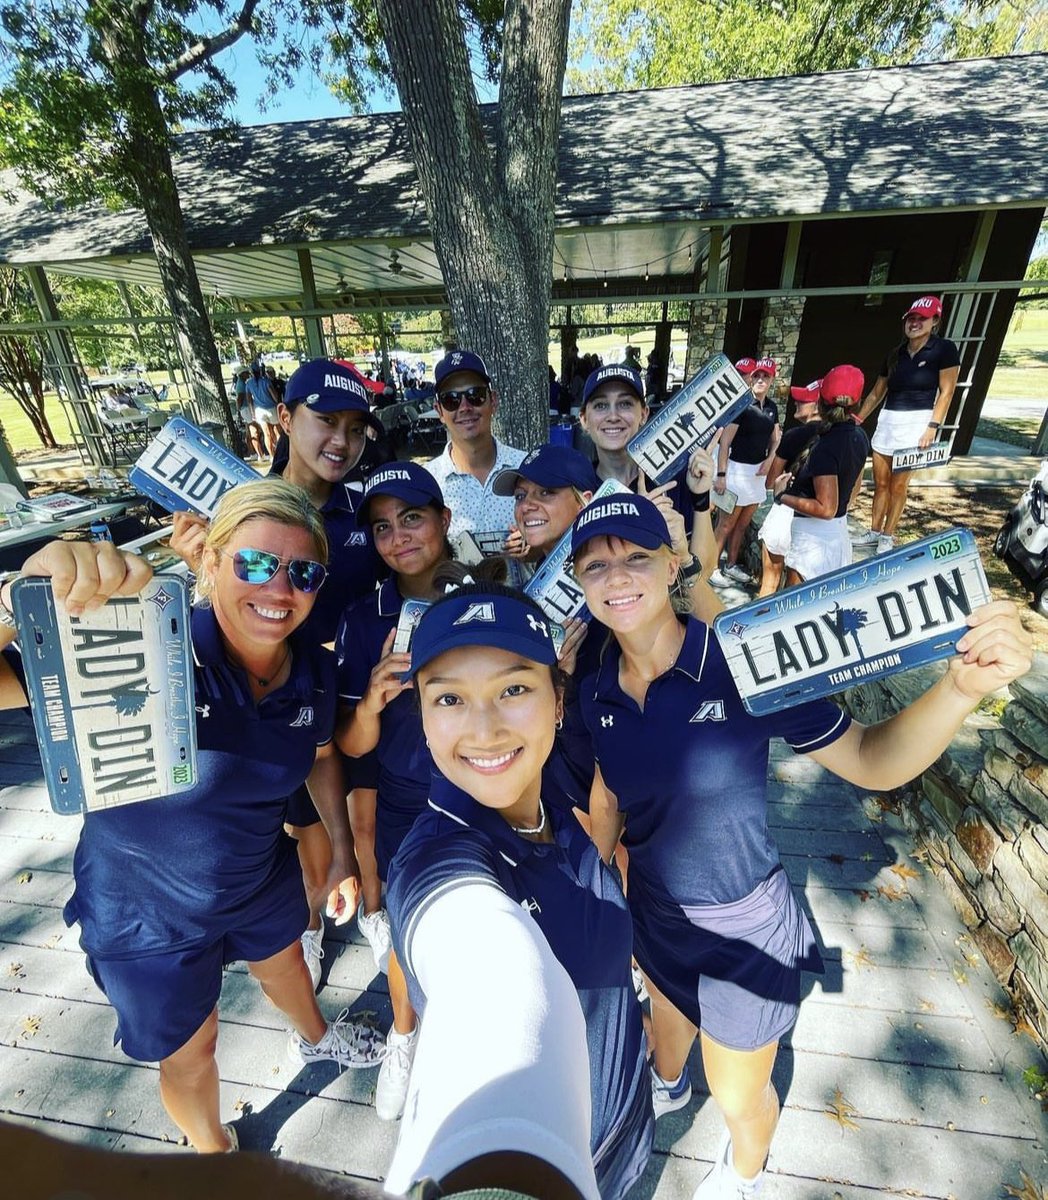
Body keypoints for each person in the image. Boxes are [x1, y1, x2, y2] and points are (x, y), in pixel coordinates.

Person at [569, 494, 1031, 1199]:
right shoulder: (596, 680)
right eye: (596, 565)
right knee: (667, 1031)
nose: (617, 577)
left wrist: (959, 689)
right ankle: (665, 1084)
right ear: (579, 581)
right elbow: (605, 789)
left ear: (672, 566)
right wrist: (597, 885)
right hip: (654, 914)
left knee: (736, 1096)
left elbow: (874, 760)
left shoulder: (742, 660)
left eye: (636, 556)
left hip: (740, 931)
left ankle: (746, 1172)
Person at [0, 480, 386, 1153]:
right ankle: (215, 1154)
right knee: (192, 1050)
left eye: (303, 571)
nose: (279, 587)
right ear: (209, 562)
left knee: (289, 968)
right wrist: (16, 600)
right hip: (144, 912)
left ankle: (317, 1038)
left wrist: (345, 855)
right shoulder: (135, 639)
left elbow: (322, 754)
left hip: (259, 876)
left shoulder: (313, 673)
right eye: (256, 564)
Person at [384, 570, 654, 1200]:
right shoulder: (436, 863)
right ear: (421, 716)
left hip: (617, 1123)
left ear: (558, 702)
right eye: (448, 698)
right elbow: (488, 976)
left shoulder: (555, 808)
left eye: (513, 688)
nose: (483, 729)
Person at [171, 359, 386, 990]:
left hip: (352, 704)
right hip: (277, 709)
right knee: (299, 834)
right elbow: (223, 610)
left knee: (356, 822)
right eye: (325, 421)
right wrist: (200, 572)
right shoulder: (235, 512)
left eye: (354, 427)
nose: (340, 441)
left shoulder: (366, 512)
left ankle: (364, 905)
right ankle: (309, 925)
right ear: (286, 419)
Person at [333, 462, 455, 1120]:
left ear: (444, 520)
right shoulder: (363, 618)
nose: (398, 536)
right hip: (408, 800)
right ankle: (406, 1036)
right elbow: (351, 747)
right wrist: (374, 703)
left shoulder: (491, 591)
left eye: (412, 517)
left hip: (493, 796)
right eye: (382, 527)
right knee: (408, 935)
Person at [853, 295, 960, 554]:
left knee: (898, 485)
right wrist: (858, 418)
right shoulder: (896, 354)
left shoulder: (944, 349)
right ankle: (874, 530)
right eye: (911, 318)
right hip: (889, 419)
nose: (915, 323)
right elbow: (877, 392)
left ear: (934, 321)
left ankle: (888, 535)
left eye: (921, 319)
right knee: (879, 482)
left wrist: (932, 427)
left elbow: (947, 391)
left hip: (917, 420)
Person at [773, 365, 870, 585]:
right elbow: (855, 488)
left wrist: (782, 496)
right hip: (838, 533)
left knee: (793, 609)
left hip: (814, 540)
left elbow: (826, 508)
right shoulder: (860, 436)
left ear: (820, 401)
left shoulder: (826, 445)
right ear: (857, 402)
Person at [424, 350, 525, 558]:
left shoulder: (526, 468)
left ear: (493, 401)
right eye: (451, 400)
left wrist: (536, 543)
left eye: (475, 395)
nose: (465, 407)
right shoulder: (427, 482)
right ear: (439, 411)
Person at [712, 357, 781, 587]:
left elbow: (775, 440)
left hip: (756, 476)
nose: (761, 380)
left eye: (765, 376)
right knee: (725, 524)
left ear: (772, 379)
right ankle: (711, 568)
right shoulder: (741, 406)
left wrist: (770, 459)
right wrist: (721, 475)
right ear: (751, 378)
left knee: (742, 525)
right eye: (757, 376)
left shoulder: (772, 408)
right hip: (736, 472)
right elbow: (724, 443)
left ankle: (731, 565)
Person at [756, 378, 823, 597]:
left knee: (769, 584)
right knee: (796, 600)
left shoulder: (795, 435)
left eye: (805, 400)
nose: (797, 402)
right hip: (822, 528)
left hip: (786, 514)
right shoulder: (850, 437)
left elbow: (770, 482)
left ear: (818, 405)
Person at [247, 363, 282, 457]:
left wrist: (252, 412)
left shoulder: (249, 383)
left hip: (259, 411)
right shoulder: (266, 381)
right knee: (277, 431)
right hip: (271, 408)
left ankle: (272, 456)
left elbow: (249, 400)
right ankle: (281, 453)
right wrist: (278, 403)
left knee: (267, 434)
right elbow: (274, 395)